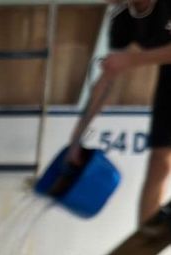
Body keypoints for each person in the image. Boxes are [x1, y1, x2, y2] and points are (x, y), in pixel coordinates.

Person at [68, 0, 171, 227]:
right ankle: (143, 244)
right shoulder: (122, 18)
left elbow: (126, 61)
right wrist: (76, 139)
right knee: (161, 159)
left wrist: (133, 60)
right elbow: (108, 78)